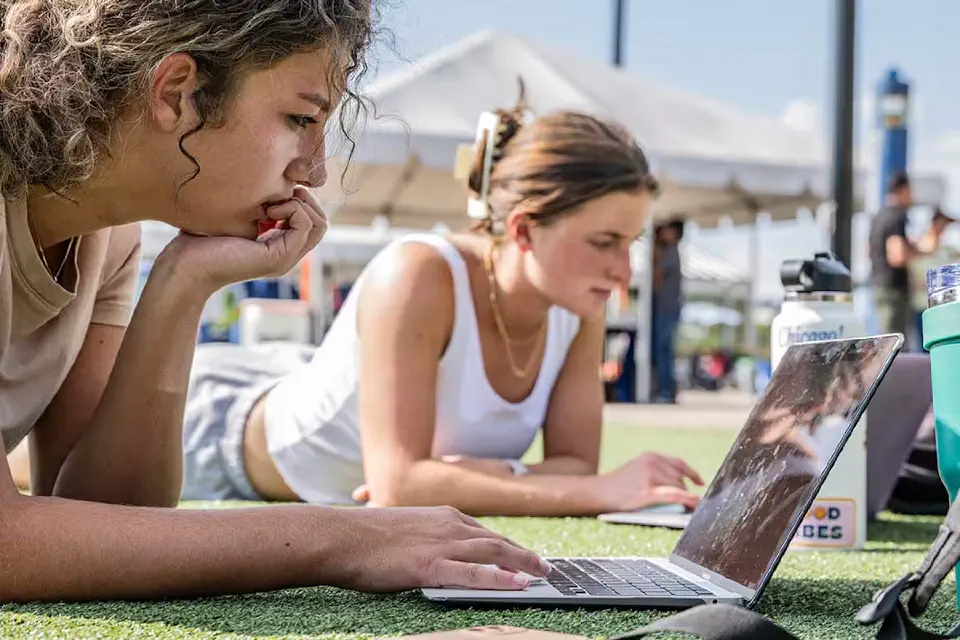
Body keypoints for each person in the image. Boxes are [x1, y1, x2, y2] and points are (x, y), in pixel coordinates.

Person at [0, 0, 550, 603]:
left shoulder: (110, 242)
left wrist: (183, 285)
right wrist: (339, 540)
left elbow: (110, 516)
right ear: (177, 92)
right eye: (298, 119)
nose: (313, 172)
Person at [177, 88, 706, 517]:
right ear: (523, 231)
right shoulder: (419, 273)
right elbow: (401, 487)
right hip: (213, 434)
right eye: (603, 242)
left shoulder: (578, 306)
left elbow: (574, 464)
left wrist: (463, 476)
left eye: (629, 244)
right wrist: (594, 492)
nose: (623, 273)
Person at [868, 172, 916, 336]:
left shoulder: (878, 216)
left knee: (884, 337)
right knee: (895, 342)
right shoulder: (897, 216)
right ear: (903, 190)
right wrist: (920, 253)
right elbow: (898, 256)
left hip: (878, 284)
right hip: (894, 291)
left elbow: (868, 250)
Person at [909, 207, 958, 350]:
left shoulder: (947, 250)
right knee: (925, 347)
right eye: (942, 225)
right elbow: (916, 277)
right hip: (922, 306)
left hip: (943, 307)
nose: (943, 229)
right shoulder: (919, 248)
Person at [651, 219, 684, 403]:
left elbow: (657, 279)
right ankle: (666, 390)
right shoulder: (670, 252)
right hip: (667, 309)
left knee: (663, 351)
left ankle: (666, 391)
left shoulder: (670, 253)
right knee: (664, 351)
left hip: (666, 309)